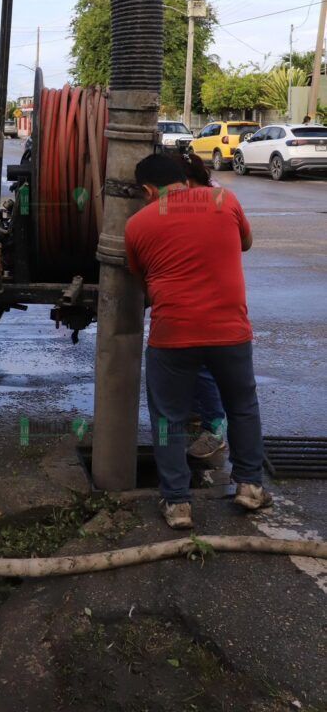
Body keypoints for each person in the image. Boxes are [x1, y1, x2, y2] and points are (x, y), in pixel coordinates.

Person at [125, 153, 272, 530]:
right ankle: (250, 487)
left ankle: (177, 504)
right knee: (242, 405)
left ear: (147, 190)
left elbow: (147, 289)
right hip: (230, 331)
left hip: (173, 334)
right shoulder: (226, 201)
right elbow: (246, 243)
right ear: (185, 180)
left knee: (168, 418)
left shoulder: (137, 224)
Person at [170, 152, 227, 460]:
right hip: (208, 289)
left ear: (187, 182)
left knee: (201, 363)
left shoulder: (203, 201)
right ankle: (195, 410)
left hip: (204, 293)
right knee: (192, 360)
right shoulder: (214, 193)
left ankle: (215, 430)